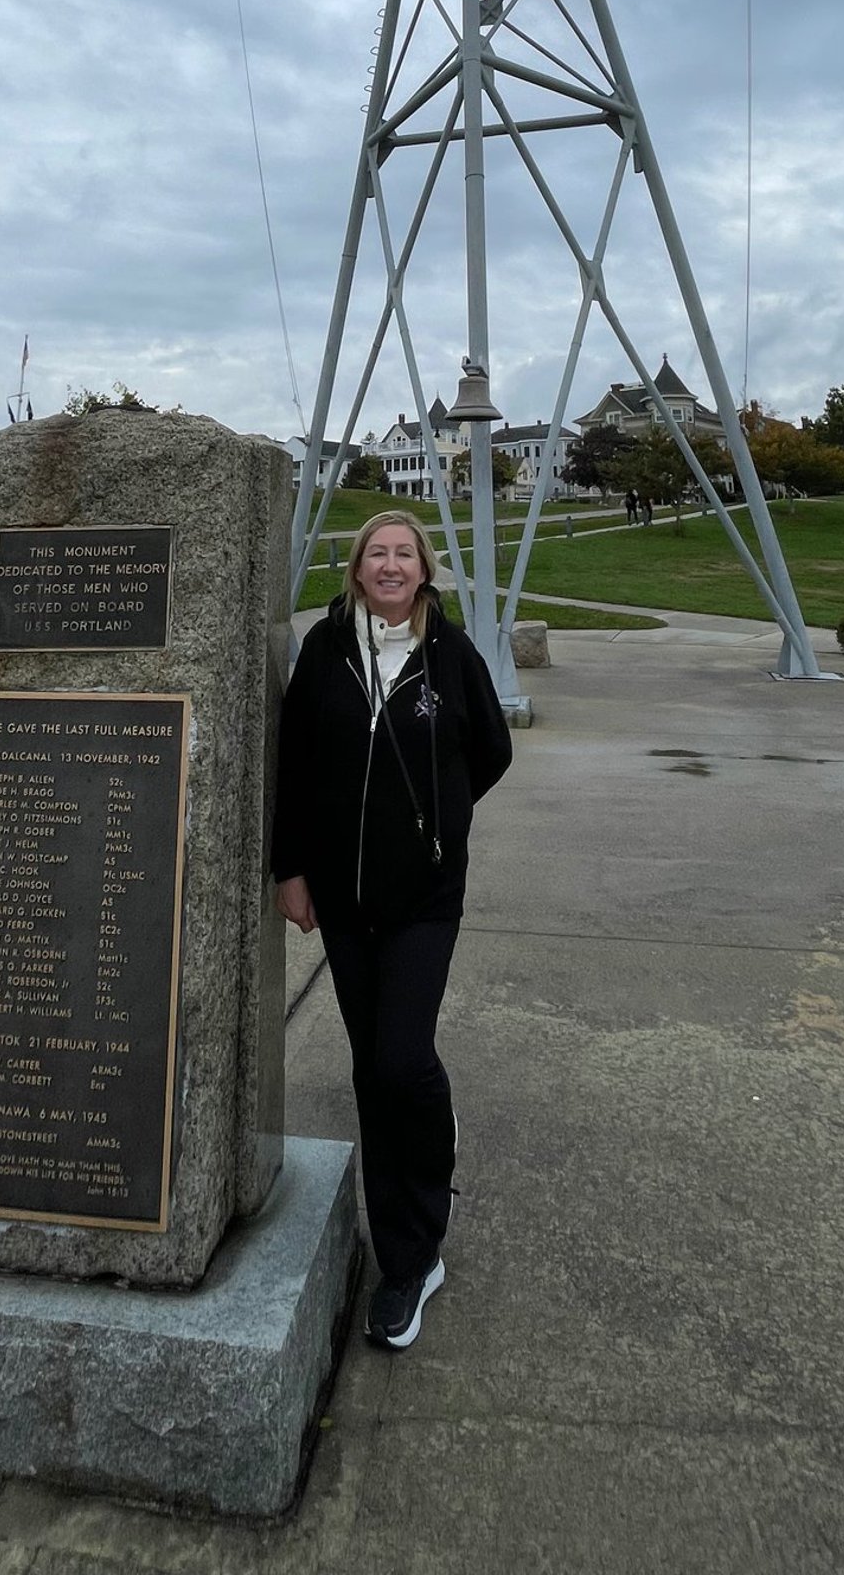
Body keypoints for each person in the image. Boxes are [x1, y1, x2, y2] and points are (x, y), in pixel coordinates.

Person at [272, 510, 513, 1352]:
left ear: (424, 571)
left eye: (404, 553)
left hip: (423, 902)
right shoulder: (326, 650)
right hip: (344, 901)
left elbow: (491, 751)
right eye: (376, 552)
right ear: (356, 570)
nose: (389, 564)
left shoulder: (450, 653)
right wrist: (291, 868)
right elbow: (293, 763)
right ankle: (403, 1249)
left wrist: (435, 826)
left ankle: (416, 1253)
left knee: (402, 1061)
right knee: (375, 1073)